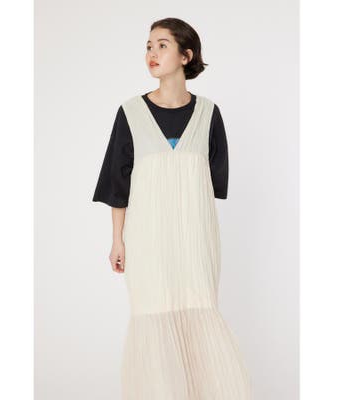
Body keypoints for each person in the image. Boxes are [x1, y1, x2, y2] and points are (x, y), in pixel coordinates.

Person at [93, 17, 252, 400]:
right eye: (148, 46)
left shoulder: (209, 114)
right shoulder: (130, 113)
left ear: (186, 55)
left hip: (196, 241)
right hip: (147, 242)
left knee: (200, 311)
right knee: (153, 317)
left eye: (162, 45)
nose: (152, 53)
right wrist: (117, 240)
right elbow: (118, 184)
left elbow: (211, 185)